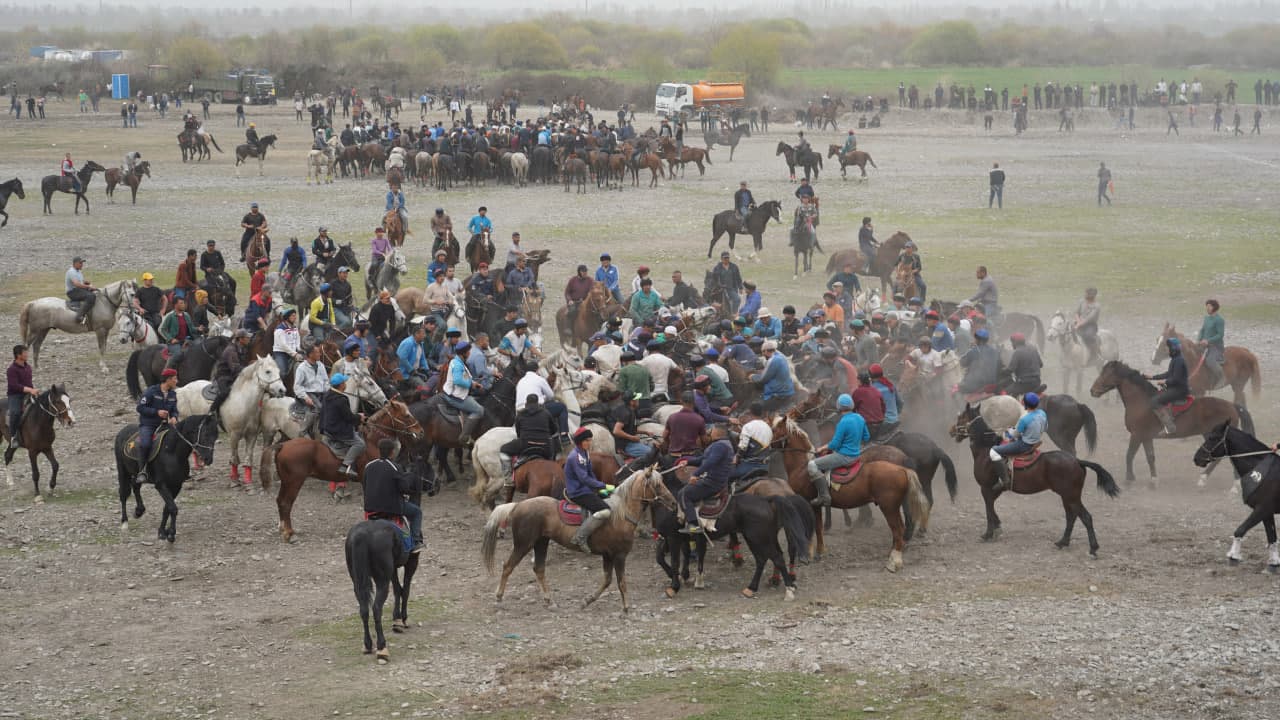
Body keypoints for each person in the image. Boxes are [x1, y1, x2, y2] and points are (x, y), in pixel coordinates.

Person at [806, 393, 869, 507]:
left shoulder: (843, 422)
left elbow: (834, 444)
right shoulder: (860, 418)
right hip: (856, 455)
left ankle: (824, 496)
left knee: (812, 465)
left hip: (843, 457)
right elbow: (866, 437)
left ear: (839, 407)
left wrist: (821, 448)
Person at [363, 438, 423, 552]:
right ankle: (416, 541)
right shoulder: (395, 466)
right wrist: (410, 492)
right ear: (392, 452)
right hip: (391, 507)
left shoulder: (369, 465)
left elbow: (365, 486)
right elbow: (403, 488)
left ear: (379, 450)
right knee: (417, 512)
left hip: (370, 507)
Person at [677, 424, 735, 533]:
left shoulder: (720, 446)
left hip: (712, 482)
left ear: (717, 432)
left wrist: (696, 474)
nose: (709, 432)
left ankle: (693, 525)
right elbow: (702, 459)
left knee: (684, 494)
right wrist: (688, 461)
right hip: (715, 481)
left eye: (711, 430)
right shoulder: (721, 444)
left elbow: (710, 462)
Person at [564, 427, 614, 550]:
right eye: (587, 440)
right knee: (605, 511)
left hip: (587, 489)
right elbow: (584, 479)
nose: (589, 443)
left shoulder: (584, 453)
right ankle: (579, 537)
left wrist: (598, 488)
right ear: (580, 441)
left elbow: (590, 473)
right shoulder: (575, 457)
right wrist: (603, 485)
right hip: (577, 492)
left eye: (590, 440)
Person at [497, 393, 559, 489]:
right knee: (556, 452)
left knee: (503, 450)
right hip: (545, 447)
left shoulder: (520, 414)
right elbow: (554, 430)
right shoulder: (546, 413)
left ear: (526, 403)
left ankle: (508, 479)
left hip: (525, 444)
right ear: (537, 403)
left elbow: (518, 433)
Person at [988, 392, 1047, 490]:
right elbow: (1045, 427)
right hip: (1036, 441)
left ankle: (1005, 480)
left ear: (1025, 404)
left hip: (1024, 445)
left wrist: (1006, 430)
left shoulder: (1024, 419)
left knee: (993, 451)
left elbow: (1014, 435)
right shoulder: (1042, 413)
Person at [133, 368, 180, 485]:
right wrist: (156, 412)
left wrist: (174, 417)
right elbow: (140, 408)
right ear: (168, 380)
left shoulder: (173, 394)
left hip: (165, 425)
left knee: (179, 441)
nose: (177, 381)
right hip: (149, 425)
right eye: (175, 379)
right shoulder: (151, 392)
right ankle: (142, 471)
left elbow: (175, 410)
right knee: (145, 444)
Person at [320, 373, 365, 479]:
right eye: (344, 382)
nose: (345, 384)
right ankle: (345, 466)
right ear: (341, 385)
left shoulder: (327, 394)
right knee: (360, 444)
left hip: (326, 428)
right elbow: (348, 417)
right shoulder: (342, 399)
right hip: (337, 430)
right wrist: (359, 417)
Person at [442, 341, 484, 447]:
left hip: (459, 393)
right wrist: (471, 384)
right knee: (479, 410)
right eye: (468, 351)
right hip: (455, 397)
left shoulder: (459, 361)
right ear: (463, 353)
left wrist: (474, 383)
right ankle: (464, 436)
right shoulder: (457, 364)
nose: (470, 353)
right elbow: (458, 381)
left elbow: (465, 378)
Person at [6, 345, 37, 449]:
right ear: (18, 355)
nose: (27, 354)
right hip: (15, 395)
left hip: (28, 393)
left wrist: (33, 391)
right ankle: (13, 437)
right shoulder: (11, 370)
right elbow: (14, 386)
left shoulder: (28, 367)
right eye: (25, 353)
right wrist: (30, 390)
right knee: (15, 413)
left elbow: (29, 382)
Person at [751, 340, 795, 413]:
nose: (763, 355)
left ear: (765, 351)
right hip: (788, 390)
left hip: (779, 394)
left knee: (756, 407)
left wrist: (753, 376)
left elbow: (763, 379)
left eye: (763, 352)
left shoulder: (773, 360)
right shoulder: (780, 356)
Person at [665, 391, 708, 457]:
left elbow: (665, 436)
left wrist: (668, 446)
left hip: (673, 456)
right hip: (692, 456)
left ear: (681, 401)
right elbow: (704, 440)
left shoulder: (672, 417)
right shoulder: (699, 419)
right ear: (694, 402)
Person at [958, 328, 1001, 394]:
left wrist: (971, 349)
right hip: (993, 382)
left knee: (959, 389)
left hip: (978, 384)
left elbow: (963, 363)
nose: (974, 340)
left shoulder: (974, 351)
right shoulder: (994, 350)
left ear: (978, 340)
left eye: (975, 339)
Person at [1197, 299, 1226, 388]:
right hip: (1204, 345)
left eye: (1209, 306)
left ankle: (1222, 378)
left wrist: (1208, 341)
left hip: (1215, 346)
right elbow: (1202, 330)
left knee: (1210, 361)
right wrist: (1199, 339)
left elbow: (1220, 335)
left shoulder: (1219, 320)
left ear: (1214, 307)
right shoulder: (1206, 318)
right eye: (1207, 306)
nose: (1207, 308)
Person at [65, 256, 96, 325]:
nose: (82, 264)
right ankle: (79, 316)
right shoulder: (71, 271)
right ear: (75, 263)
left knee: (95, 293)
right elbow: (77, 284)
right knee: (91, 296)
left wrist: (87, 283)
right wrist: (88, 286)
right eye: (80, 263)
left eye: (82, 263)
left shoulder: (78, 271)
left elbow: (81, 282)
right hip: (72, 292)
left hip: (78, 290)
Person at [712, 251, 743, 317]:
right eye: (725, 258)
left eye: (727, 258)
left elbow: (738, 277)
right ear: (721, 259)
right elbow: (714, 279)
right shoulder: (717, 268)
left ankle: (733, 313)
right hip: (721, 289)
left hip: (732, 288)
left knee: (737, 299)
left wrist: (740, 287)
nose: (726, 259)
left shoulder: (734, 267)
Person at [1075, 288, 1102, 362]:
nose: (1085, 295)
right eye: (1085, 293)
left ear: (1092, 296)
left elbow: (1089, 318)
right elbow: (1077, 313)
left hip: (1090, 326)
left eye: (1087, 294)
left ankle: (1095, 353)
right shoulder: (1081, 301)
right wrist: (1078, 321)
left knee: (1088, 336)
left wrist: (1078, 325)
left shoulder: (1096, 306)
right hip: (1079, 322)